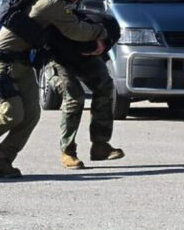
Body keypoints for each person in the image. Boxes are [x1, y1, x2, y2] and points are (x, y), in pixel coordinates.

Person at [0, 0, 109, 178]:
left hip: (21, 63)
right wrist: (104, 31)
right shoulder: (52, 4)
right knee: (13, 113)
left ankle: (3, 161)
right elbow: (78, 32)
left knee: (31, 115)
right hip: (2, 64)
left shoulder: (54, 2)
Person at [43, 9, 124, 170]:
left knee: (106, 87)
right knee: (74, 97)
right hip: (58, 59)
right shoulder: (59, 27)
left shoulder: (101, 25)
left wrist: (102, 43)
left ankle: (100, 146)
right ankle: (68, 151)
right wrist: (89, 46)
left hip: (82, 54)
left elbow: (112, 31)